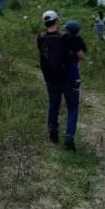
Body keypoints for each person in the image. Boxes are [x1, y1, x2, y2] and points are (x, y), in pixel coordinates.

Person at [37, 10, 85, 151]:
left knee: (53, 105)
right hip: (68, 79)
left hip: (51, 78)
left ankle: (53, 132)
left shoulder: (40, 37)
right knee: (73, 108)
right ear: (57, 21)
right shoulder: (66, 38)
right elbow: (81, 56)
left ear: (44, 22)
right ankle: (69, 137)